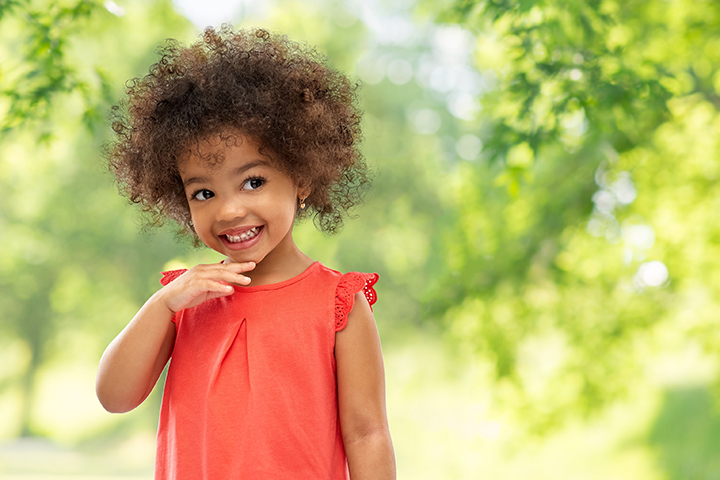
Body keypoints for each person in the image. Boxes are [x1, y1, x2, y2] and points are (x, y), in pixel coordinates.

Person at [95, 26, 395, 480]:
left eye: (253, 182)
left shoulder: (337, 301)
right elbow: (114, 396)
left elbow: (367, 432)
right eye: (203, 193)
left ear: (302, 180)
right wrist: (163, 303)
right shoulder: (185, 301)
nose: (230, 209)